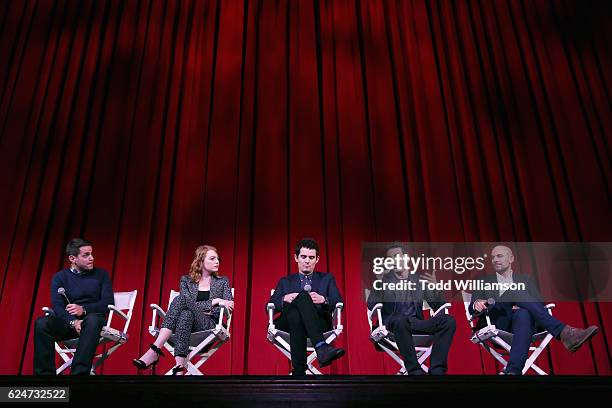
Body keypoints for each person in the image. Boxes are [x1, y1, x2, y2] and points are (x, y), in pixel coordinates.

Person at [469, 245, 599, 375]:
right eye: (493, 257)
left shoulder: (526, 279)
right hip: (498, 321)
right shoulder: (483, 281)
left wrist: (521, 304)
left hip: (524, 325)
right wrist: (476, 304)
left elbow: (539, 302)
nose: (495, 260)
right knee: (515, 292)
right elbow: (472, 308)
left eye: (499, 256)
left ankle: (513, 371)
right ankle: (564, 332)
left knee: (524, 313)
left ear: (511, 259)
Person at [133, 245, 233, 375]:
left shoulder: (222, 281)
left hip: (208, 324)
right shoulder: (186, 281)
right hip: (187, 324)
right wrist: (214, 301)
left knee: (182, 301)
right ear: (201, 261)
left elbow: (229, 307)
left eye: (218, 259)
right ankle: (179, 367)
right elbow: (188, 304)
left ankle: (155, 349)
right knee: (185, 314)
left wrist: (201, 305)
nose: (217, 261)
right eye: (212, 258)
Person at [367, 244, 456, 375]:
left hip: (416, 323)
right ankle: (414, 370)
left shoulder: (419, 279)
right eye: (389, 259)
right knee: (400, 320)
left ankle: (437, 370)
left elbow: (438, 305)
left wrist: (436, 288)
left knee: (448, 320)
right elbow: (371, 305)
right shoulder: (384, 280)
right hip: (393, 325)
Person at [34, 238, 114, 375]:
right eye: (86, 255)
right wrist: (73, 321)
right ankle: (44, 377)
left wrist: (83, 309)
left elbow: (108, 303)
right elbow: (58, 306)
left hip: (93, 323)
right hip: (69, 323)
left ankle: (78, 376)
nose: (92, 258)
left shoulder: (101, 275)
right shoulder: (60, 277)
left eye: (91, 254)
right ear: (72, 258)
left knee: (93, 320)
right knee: (42, 323)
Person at [268, 238, 345, 375]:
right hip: (286, 327)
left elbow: (338, 301)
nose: (307, 261)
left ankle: (299, 371)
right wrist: (284, 299)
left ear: (317, 259)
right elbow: (269, 306)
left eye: (311, 257)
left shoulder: (327, 278)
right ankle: (322, 348)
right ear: (296, 258)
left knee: (296, 315)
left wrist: (324, 299)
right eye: (303, 257)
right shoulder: (285, 282)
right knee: (302, 298)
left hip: (318, 324)